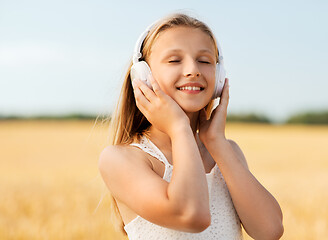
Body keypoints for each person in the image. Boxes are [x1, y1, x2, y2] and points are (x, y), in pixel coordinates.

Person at [98, 12, 284, 240]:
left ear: (218, 77)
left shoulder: (226, 152)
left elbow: (270, 230)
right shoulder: (121, 159)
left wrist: (218, 144)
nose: (193, 70)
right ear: (143, 76)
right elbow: (191, 215)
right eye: (175, 60)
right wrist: (179, 128)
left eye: (205, 61)